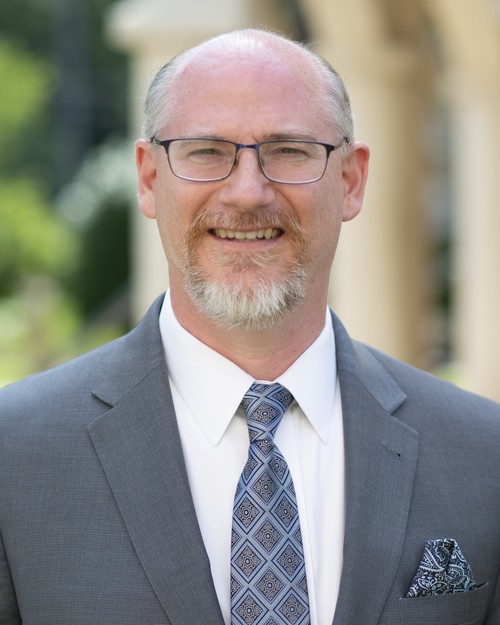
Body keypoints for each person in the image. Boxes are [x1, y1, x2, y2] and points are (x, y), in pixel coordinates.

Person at [0, 28, 498, 625]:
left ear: (351, 180)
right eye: (206, 151)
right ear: (150, 178)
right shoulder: (14, 457)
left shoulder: (484, 455)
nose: (247, 192)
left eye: (289, 150)